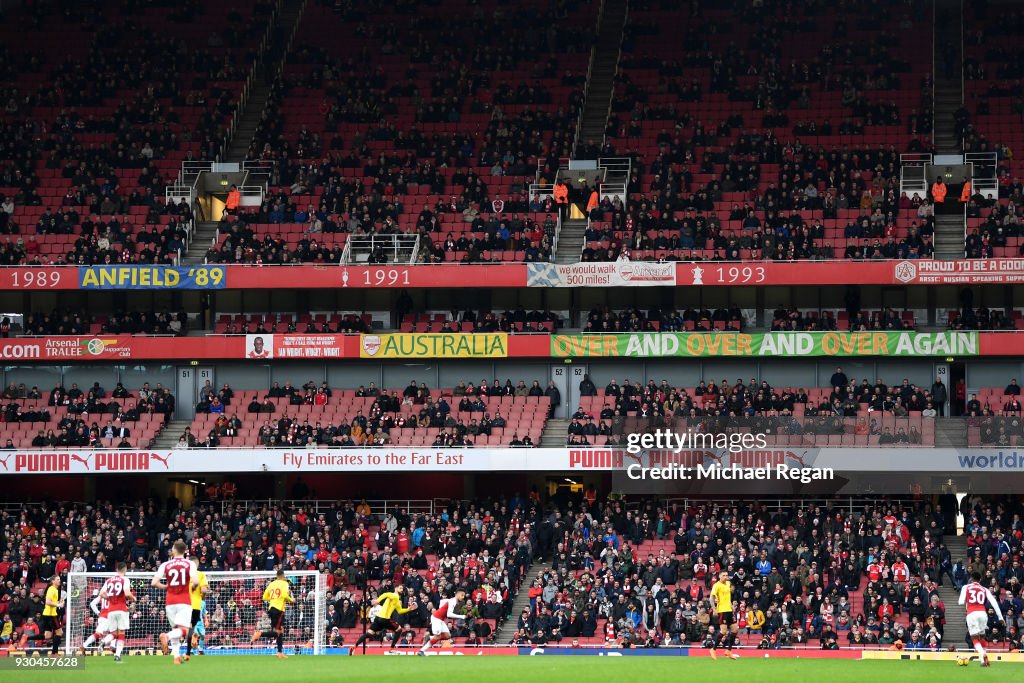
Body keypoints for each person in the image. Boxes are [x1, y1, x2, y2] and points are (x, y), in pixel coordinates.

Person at [152, 539, 199, 665]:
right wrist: (193, 588)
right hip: (184, 600)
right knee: (184, 630)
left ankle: (176, 658)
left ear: (174, 550)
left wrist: (165, 587)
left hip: (170, 601)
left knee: (175, 629)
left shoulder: (165, 565)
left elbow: (153, 583)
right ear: (184, 551)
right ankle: (166, 636)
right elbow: (196, 582)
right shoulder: (190, 564)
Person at [959, 571, 1004, 667]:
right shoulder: (984, 589)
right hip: (983, 613)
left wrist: (967, 600)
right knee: (982, 637)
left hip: (972, 613)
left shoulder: (966, 587)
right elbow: (994, 603)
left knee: (974, 638)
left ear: (971, 579)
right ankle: (983, 661)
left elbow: (960, 602)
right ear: (980, 580)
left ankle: (983, 654)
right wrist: (1000, 617)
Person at [352, 584, 415, 653]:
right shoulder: (395, 596)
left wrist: (408, 609)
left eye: (402, 589)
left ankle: (355, 646)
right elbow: (385, 594)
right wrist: (377, 601)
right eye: (400, 588)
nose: (401, 590)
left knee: (369, 633)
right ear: (396, 588)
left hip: (378, 618)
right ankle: (391, 648)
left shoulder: (396, 599)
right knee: (399, 630)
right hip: (385, 619)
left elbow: (400, 611)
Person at [251, 569, 295, 659]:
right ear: (282, 576)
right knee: (278, 632)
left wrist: (273, 600)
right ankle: (260, 634)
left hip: (271, 609)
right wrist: (292, 600)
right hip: (279, 610)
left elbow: (264, 597)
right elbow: (284, 595)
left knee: (280, 631)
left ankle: (279, 653)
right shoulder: (284, 583)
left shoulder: (272, 584)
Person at [98, 562, 134, 662]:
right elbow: (127, 593)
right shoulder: (125, 579)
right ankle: (117, 655)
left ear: (116, 569)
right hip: (121, 609)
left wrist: (109, 598)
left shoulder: (109, 580)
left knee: (115, 633)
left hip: (110, 610)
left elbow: (101, 593)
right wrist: (133, 598)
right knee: (121, 633)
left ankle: (104, 641)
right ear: (125, 569)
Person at [418, 587, 467, 654]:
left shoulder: (452, 600)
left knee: (448, 636)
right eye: (462, 595)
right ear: (457, 594)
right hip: (436, 618)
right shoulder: (453, 601)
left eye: (464, 595)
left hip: (440, 619)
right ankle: (421, 651)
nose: (463, 597)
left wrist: (441, 609)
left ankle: (430, 637)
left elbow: (442, 601)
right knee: (437, 637)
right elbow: (449, 614)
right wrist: (461, 616)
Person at [185, 557, 208, 661]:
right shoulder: (201, 575)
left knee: (187, 629)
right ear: (197, 564)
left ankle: (189, 651)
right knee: (193, 630)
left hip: (184, 605)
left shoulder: (184, 575)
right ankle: (191, 651)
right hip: (195, 606)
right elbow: (204, 590)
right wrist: (202, 596)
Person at [41, 575, 63, 655]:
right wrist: (58, 605)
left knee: (47, 636)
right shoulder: (52, 590)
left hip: (47, 614)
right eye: (57, 579)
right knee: (59, 633)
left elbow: (52, 602)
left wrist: (59, 603)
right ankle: (54, 653)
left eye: (59, 579)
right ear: (53, 581)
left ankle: (27, 637)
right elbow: (48, 602)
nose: (59, 581)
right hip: (51, 614)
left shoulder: (55, 590)